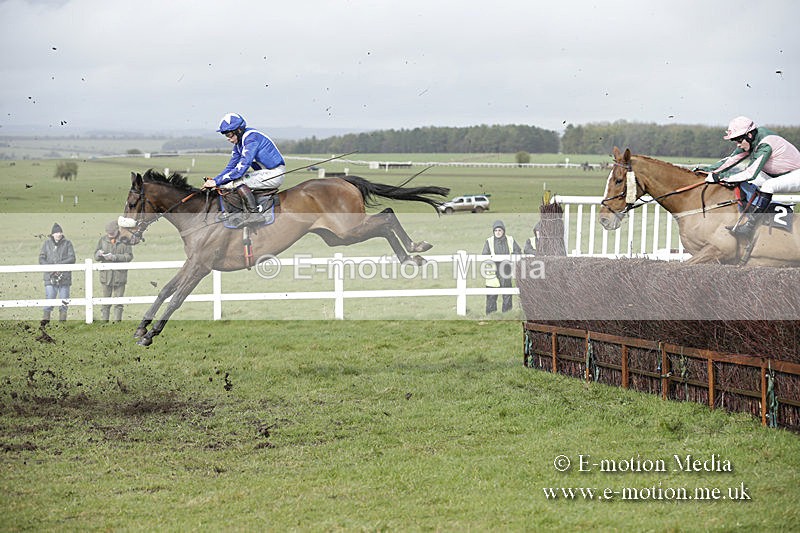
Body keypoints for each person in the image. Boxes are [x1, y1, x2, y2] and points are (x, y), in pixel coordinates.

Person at [699, 116, 800, 237]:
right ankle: (745, 215)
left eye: (739, 141)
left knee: (768, 186)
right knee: (743, 183)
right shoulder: (750, 140)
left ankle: (750, 226)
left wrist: (721, 177)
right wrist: (706, 170)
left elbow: (750, 173)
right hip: (774, 174)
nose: (738, 145)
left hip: (795, 174)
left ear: (749, 135)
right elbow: (731, 160)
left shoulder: (765, 144)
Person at [202, 112, 286, 226]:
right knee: (225, 184)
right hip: (264, 173)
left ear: (238, 130)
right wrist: (215, 180)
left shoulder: (251, 138)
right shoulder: (239, 145)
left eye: (229, 135)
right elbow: (230, 167)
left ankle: (255, 214)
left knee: (237, 182)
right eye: (226, 136)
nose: (228, 139)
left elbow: (240, 169)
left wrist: (217, 182)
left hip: (274, 174)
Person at [94, 220, 134, 322]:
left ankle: (117, 322)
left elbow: (129, 256)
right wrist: (99, 254)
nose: (110, 235)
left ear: (117, 230)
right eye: (108, 233)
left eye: (112, 233)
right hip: (106, 276)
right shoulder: (102, 240)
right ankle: (104, 322)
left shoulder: (125, 241)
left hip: (119, 276)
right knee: (105, 302)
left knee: (118, 302)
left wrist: (115, 257)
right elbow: (96, 256)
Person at [38, 222, 75, 326]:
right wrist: (51, 269)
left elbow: (72, 258)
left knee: (64, 301)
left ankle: (62, 324)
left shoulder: (67, 243)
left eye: (60, 232)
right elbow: (41, 258)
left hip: (64, 277)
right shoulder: (46, 244)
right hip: (50, 277)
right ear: (52, 234)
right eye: (56, 233)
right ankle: (45, 323)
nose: (58, 234)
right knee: (49, 299)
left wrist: (60, 266)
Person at [482, 220, 521, 314]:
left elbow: (518, 251)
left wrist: (512, 258)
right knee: (491, 294)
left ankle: (507, 314)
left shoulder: (510, 239)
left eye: (500, 230)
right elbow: (484, 255)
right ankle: (491, 314)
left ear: (503, 231)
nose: (498, 232)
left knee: (507, 293)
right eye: (496, 230)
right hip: (492, 271)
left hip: (506, 269)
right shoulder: (489, 241)